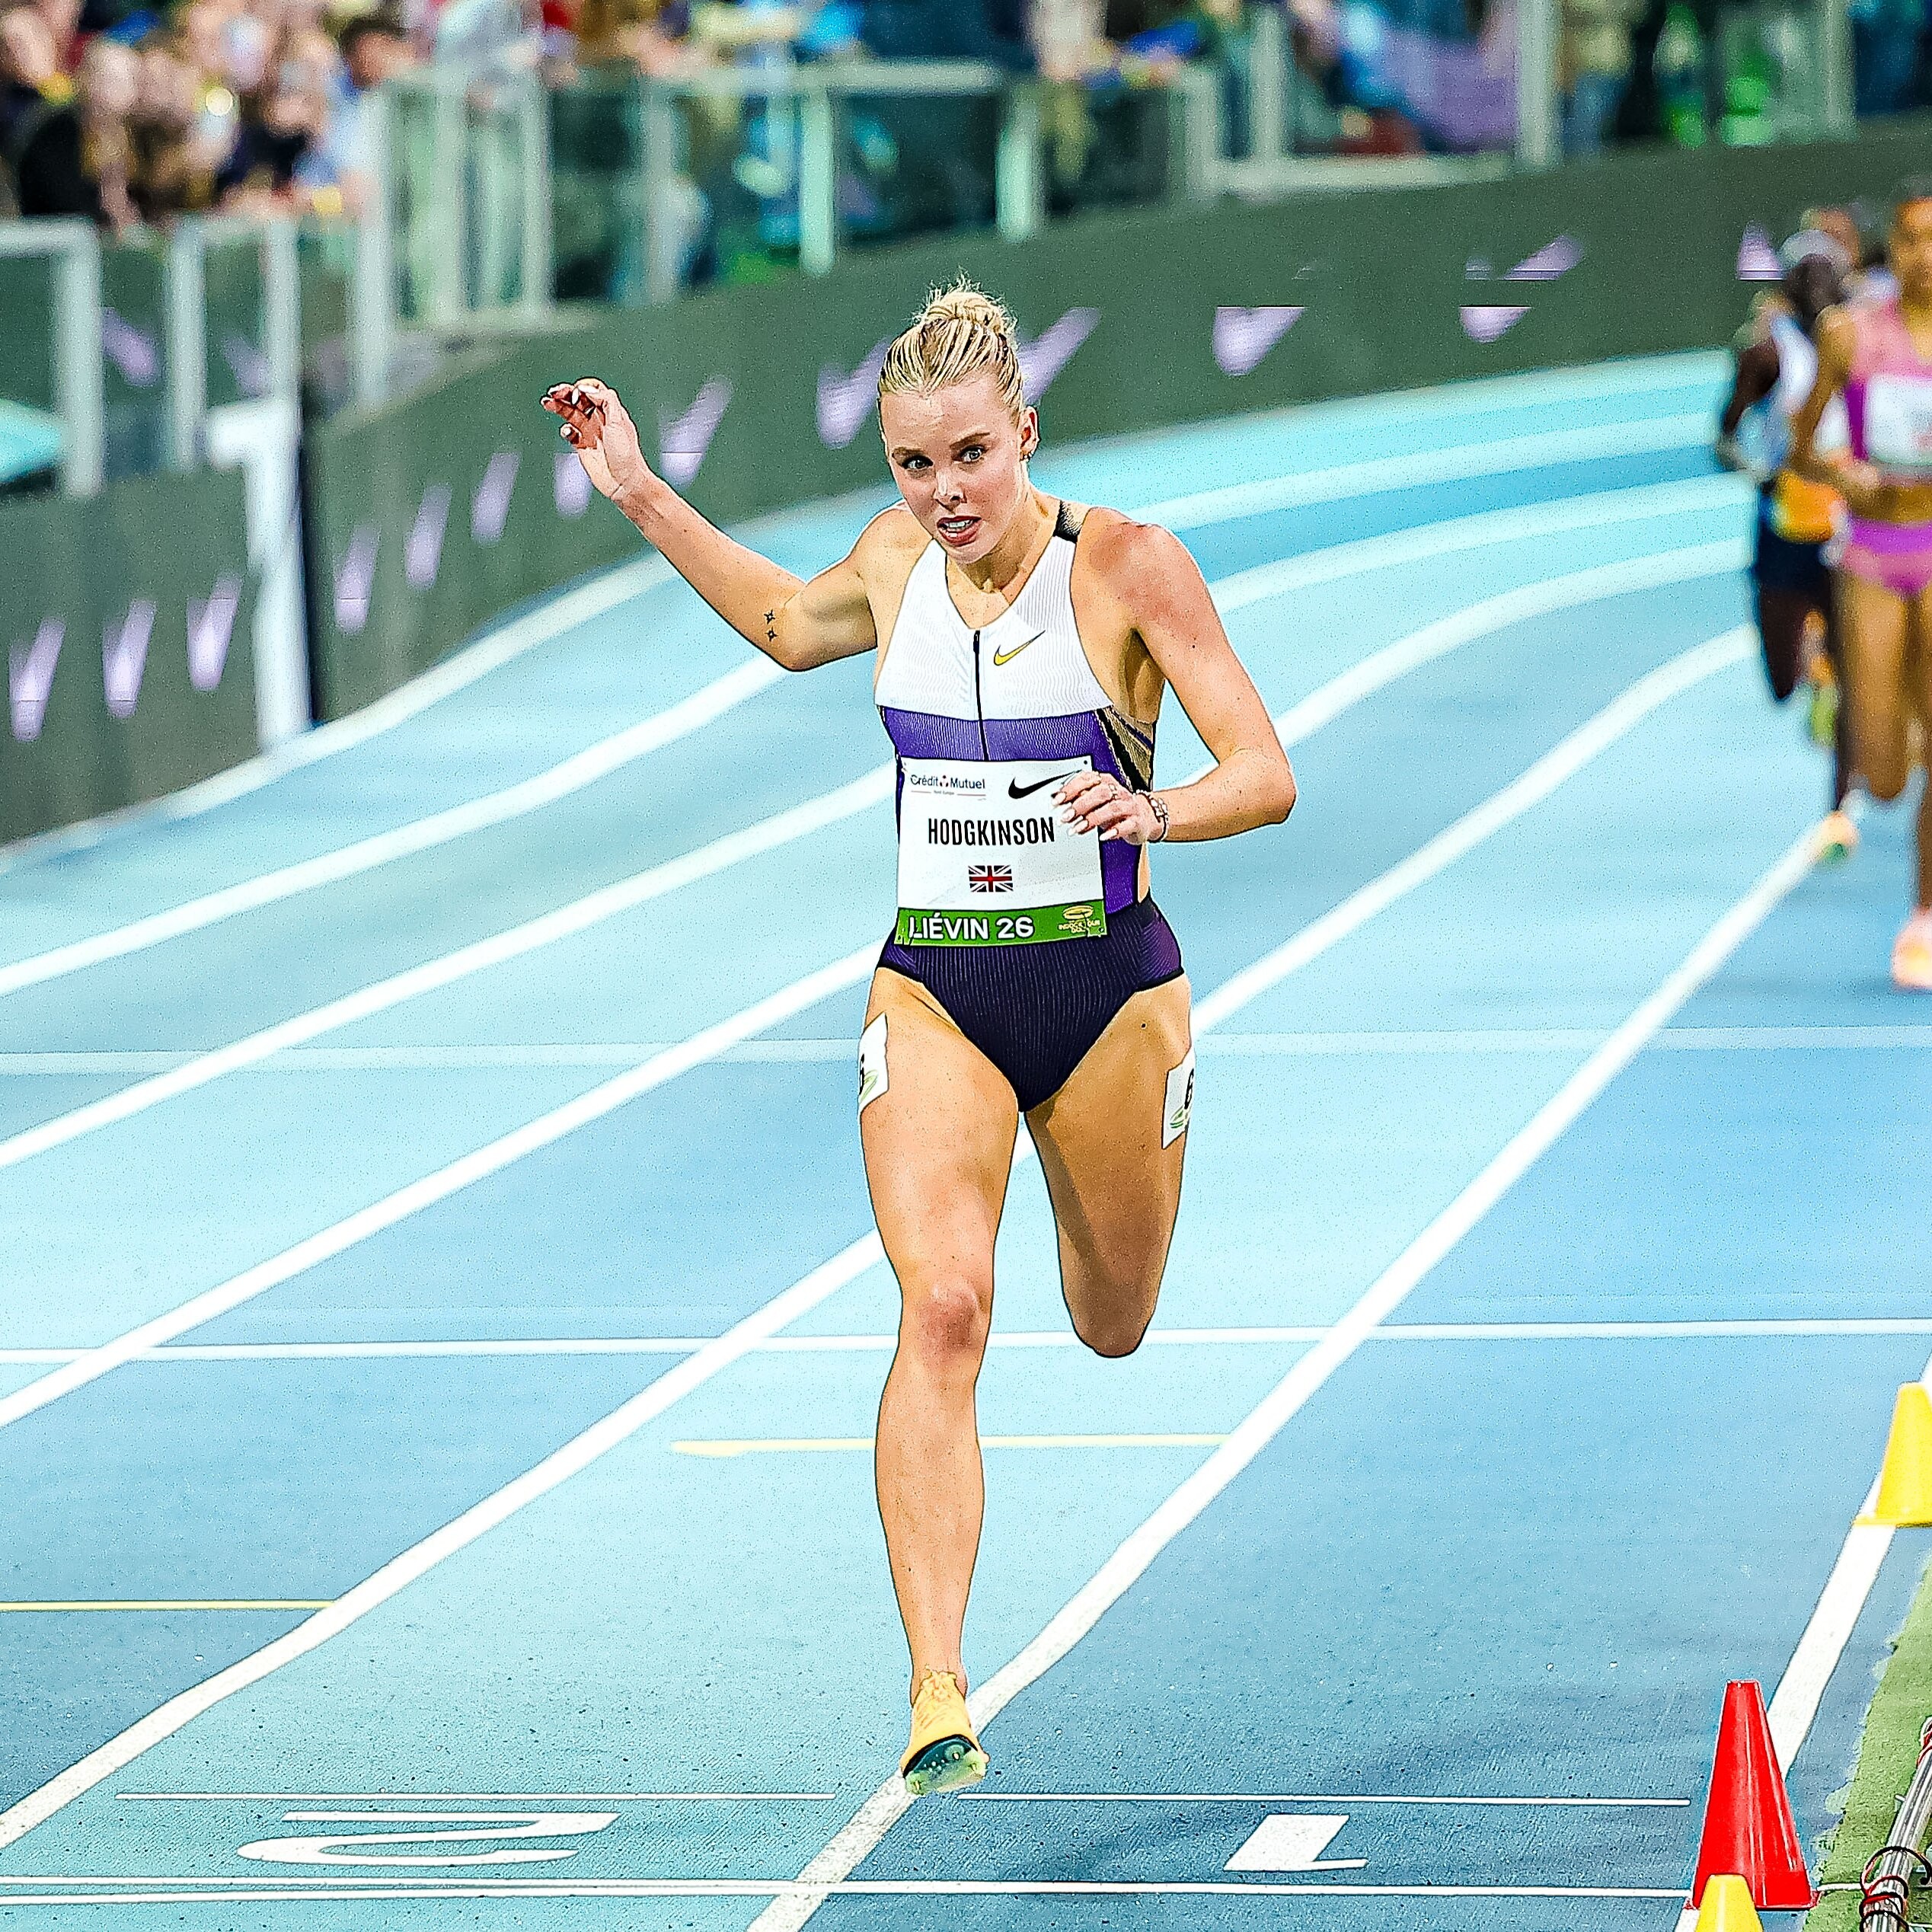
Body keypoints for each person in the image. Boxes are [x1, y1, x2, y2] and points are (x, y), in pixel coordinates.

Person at [542, 282, 1295, 1793]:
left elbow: (1263, 770)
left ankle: (1091, 1172)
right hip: (937, 990)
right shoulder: (894, 560)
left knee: (1110, 1320)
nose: (941, 492)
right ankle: (936, 1687)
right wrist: (638, 492)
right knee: (942, 1304)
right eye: (910, 463)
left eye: (967, 456)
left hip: (1106, 996)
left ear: (1024, 434)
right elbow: (784, 624)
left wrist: (1154, 806)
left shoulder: (1127, 568)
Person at [1792, 184, 1932, 989]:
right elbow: (1800, 446)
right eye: (1912, 240)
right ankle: (1883, 718)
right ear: (1891, 250)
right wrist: (1844, 474)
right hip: (1873, 556)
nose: (1926, 257)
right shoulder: (1849, 335)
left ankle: (1924, 917)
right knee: (1881, 776)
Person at [1716, 228, 1858, 857]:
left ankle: (1837, 812)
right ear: (1787, 286)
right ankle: (1810, 662)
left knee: (1857, 674)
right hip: (1783, 530)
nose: (1816, 286)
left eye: (1826, 273)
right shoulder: (1766, 354)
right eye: (1805, 274)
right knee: (1779, 683)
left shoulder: (1864, 346)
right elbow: (1722, 440)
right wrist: (1763, 474)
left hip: (1849, 532)